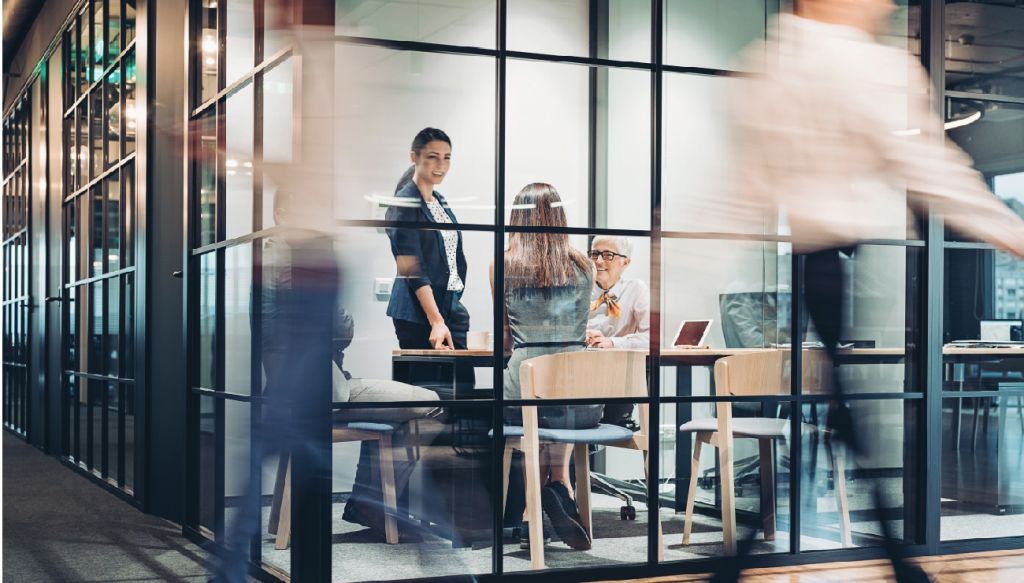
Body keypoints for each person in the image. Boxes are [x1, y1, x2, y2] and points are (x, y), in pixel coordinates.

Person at [718, 1, 1024, 582]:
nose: (882, 3)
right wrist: (1008, 230)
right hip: (827, 260)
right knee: (846, 417)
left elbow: (742, 187)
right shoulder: (860, 67)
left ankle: (753, 558)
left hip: (824, 259)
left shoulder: (776, 62)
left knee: (843, 415)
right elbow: (931, 168)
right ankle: (897, 563)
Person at [491, 183, 598, 551]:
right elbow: (580, 328)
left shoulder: (503, 262)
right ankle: (561, 484)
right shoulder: (584, 263)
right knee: (560, 394)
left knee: (533, 404)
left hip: (527, 385)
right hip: (582, 397)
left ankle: (529, 512)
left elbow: (505, 339)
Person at [385, 127, 473, 397]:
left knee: (463, 389)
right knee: (428, 396)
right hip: (419, 313)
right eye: (433, 157)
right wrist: (435, 320)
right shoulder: (404, 203)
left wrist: (452, 307)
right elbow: (412, 268)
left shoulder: (440, 201)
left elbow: (450, 256)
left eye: (447, 158)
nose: (441, 165)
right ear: (415, 157)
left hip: (449, 307)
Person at [586, 236, 650, 428]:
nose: (598, 261)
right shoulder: (578, 289)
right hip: (580, 377)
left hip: (617, 380)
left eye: (608, 255)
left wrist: (613, 342)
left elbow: (651, 338)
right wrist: (583, 335)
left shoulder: (636, 289)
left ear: (626, 262)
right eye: (595, 254)